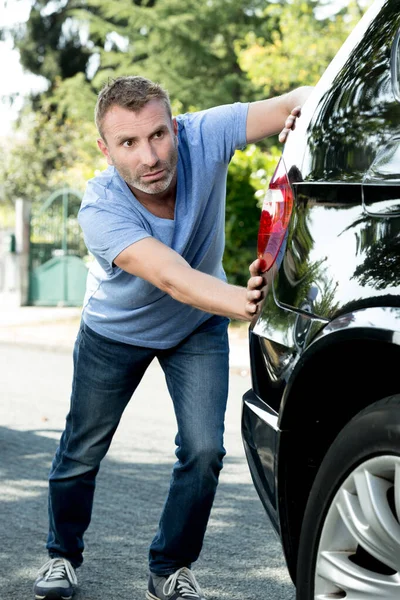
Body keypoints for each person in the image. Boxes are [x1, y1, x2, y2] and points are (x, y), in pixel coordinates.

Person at [33, 75, 313, 600]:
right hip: (115, 334)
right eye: (129, 143)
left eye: (158, 135)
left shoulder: (204, 134)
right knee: (82, 449)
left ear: (175, 127)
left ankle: (169, 569)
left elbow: (298, 97)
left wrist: (299, 120)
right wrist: (245, 302)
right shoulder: (100, 208)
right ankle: (62, 556)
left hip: (195, 327)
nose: (150, 156)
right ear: (106, 148)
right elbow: (168, 275)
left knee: (205, 450)